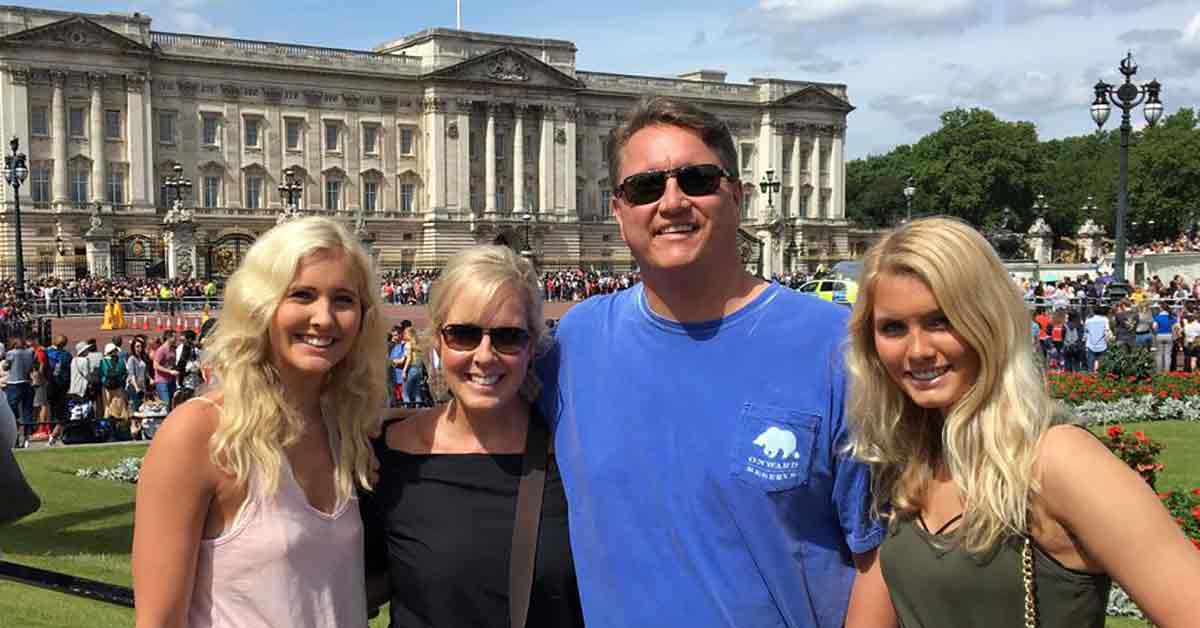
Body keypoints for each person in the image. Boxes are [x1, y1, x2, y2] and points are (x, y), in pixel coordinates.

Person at [536, 97, 885, 627]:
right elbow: (483, 430)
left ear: (738, 196)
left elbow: (879, 554)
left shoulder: (836, 346)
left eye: (697, 179)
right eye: (646, 187)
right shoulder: (578, 339)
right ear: (618, 209)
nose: (672, 202)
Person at [843, 216, 1200, 627]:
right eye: (893, 328)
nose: (918, 349)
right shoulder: (906, 460)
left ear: (988, 320)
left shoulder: (1056, 460)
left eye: (940, 320)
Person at [132, 216, 388, 627]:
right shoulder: (198, 433)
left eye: (343, 300)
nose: (324, 318)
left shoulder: (346, 427)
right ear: (260, 306)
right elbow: (159, 621)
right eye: (302, 295)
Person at [364, 245, 583, 628]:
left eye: (508, 337)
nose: (484, 355)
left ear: (533, 345)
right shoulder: (384, 455)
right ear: (437, 340)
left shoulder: (575, 460)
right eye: (463, 334)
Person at [399, 326, 430, 407]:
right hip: (419, 369)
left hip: (411, 369)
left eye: (405, 333)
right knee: (417, 394)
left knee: (405, 393)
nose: (403, 335)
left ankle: (407, 412)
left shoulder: (408, 344)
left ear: (409, 334)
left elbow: (409, 359)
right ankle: (418, 412)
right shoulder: (417, 345)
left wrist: (404, 371)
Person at [151, 330, 178, 410]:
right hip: (162, 381)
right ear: (168, 338)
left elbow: (173, 364)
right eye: (174, 337)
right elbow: (155, 365)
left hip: (171, 380)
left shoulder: (173, 349)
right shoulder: (161, 350)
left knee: (172, 404)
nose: (176, 339)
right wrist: (169, 371)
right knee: (166, 403)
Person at [1083, 306, 1110, 371]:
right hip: (1102, 345)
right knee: (1102, 368)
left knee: (1090, 368)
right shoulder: (1105, 320)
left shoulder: (1088, 321)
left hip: (1090, 345)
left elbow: (1086, 333)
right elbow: (1107, 331)